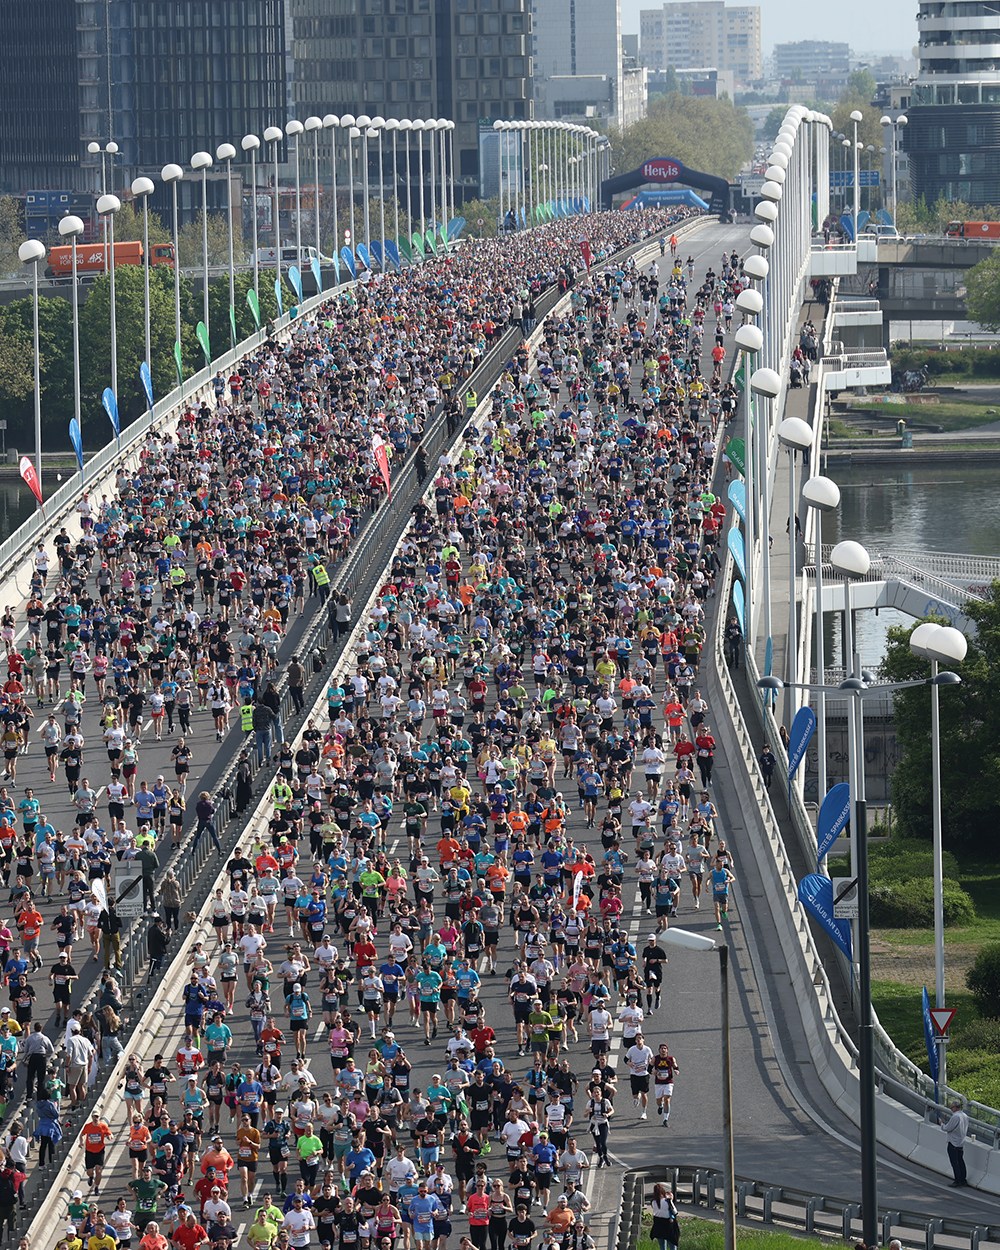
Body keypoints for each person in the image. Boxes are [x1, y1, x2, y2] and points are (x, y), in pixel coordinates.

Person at [941, 1099, 970, 1186]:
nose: (951, 1109)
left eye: (951, 1107)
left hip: (953, 1142)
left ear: (955, 1107)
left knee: (955, 1162)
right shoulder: (965, 1116)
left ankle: (957, 1180)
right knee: (961, 1161)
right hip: (961, 1142)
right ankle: (963, 1179)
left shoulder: (955, 1117)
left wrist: (942, 1124)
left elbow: (948, 1128)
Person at [648, 1183, 680, 1250]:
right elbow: (675, 1212)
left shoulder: (653, 1202)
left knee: (662, 1246)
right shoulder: (667, 1201)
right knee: (672, 1243)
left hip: (658, 1225)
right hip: (668, 1225)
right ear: (663, 1191)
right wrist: (671, 1199)